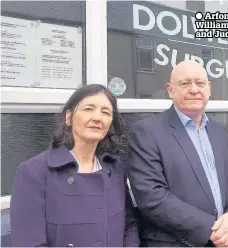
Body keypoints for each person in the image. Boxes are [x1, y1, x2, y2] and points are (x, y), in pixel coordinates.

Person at [126, 60, 228, 247]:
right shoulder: (146, 132)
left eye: (200, 83)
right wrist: (213, 228)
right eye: (185, 83)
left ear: (209, 88)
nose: (194, 90)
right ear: (170, 89)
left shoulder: (220, 132)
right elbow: (152, 197)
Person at [10, 84, 140, 247]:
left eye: (105, 112)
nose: (97, 118)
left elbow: (130, 225)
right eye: (88, 109)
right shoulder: (34, 172)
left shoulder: (115, 169)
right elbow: (27, 243)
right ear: (69, 118)